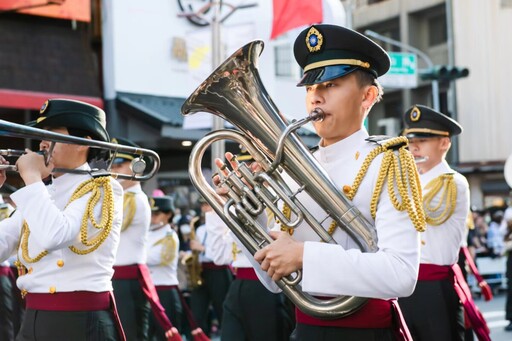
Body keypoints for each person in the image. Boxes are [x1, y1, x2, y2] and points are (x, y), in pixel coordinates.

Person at [214, 24, 425, 340]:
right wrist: (246, 216)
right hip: (305, 331)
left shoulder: (388, 161)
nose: (317, 97)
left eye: (332, 84)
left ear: (367, 96)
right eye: (311, 88)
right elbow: (274, 282)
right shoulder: (292, 168)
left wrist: (303, 255)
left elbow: (401, 275)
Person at [0, 99, 125, 340]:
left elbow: (54, 236)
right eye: (41, 135)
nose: (42, 143)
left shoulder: (103, 187)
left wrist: (32, 177)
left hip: (79, 320)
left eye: (51, 134)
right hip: (34, 319)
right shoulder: (42, 193)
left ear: (83, 144)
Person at [398, 104, 489, 341]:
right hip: (401, 281)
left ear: (444, 143)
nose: (414, 147)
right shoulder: (403, 181)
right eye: (411, 140)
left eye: (423, 139)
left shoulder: (453, 182)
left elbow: (416, 210)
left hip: (434, 287)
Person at [204, 200, 294, 341]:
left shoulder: (277, 200)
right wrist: (216, 209)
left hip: (269, 288)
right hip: (238, 285)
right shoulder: (235, 207)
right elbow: (219, 256)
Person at [110, 137, 152, 340]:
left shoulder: (135, 199)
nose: (113, 170)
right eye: (112, 165)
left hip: (128, 278)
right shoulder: (120, 197)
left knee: (131, 333)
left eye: (120, 165)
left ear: (137, 166)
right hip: (116, 277)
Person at [188, 199, 233, 337]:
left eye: (207, 204)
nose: (205, 208)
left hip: (219, 271)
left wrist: (201, 248)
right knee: (197, 312)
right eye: (203, 205)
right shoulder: (200, 228)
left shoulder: (224, 226)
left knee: (222, 311)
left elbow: (222, 253)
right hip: (202, 271)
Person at [146, 195, 183, 340]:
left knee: (166, 336)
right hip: (148, 291)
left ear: (168, 215)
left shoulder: (170, 236)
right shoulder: (148, 233)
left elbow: (155, 258)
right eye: (151, 213)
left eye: (157, 213)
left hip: (164, 291)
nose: (152, 217)